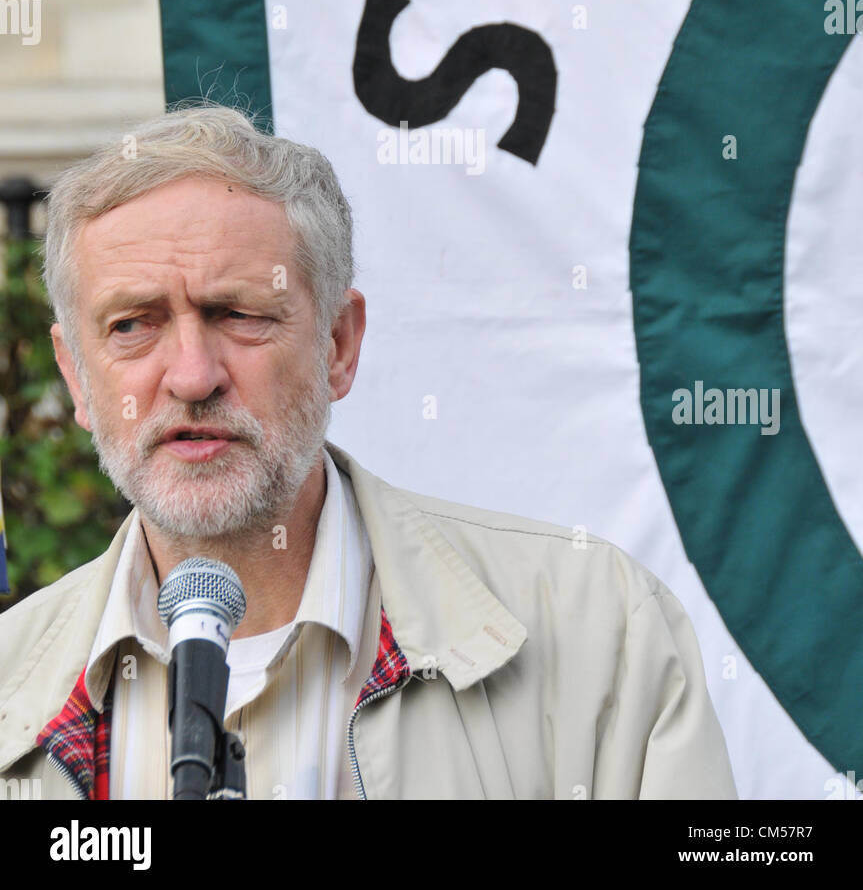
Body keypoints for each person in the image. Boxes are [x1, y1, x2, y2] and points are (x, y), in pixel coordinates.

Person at [0, 103, 737, 800]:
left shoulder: (596, 630)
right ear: (76, 375)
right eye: (132, 325)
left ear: (338, 345)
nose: (193, 375)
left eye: (239, 314)